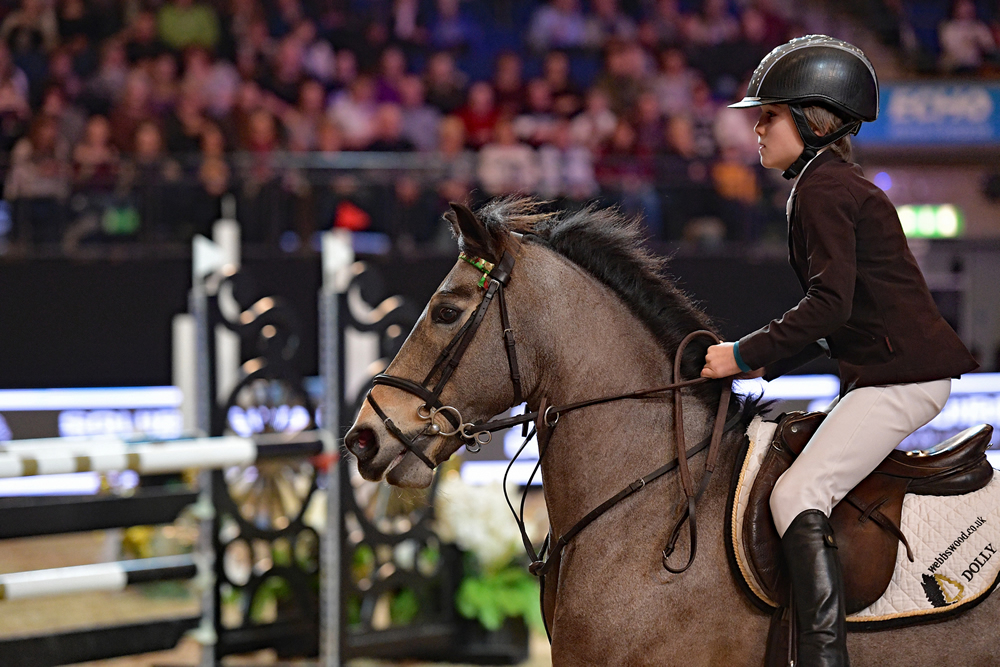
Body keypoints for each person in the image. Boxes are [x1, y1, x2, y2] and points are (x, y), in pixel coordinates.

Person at [700, 35, 979, 665]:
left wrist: (742, 355)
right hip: (889, 373)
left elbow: (831, 307)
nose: (759, 130)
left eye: (768, 116)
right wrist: (770, 360)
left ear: (808, 118)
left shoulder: (824, 190)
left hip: (903, 380)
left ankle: (824, 659)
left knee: (796, 494)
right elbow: (837, 321)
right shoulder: (824, 184)